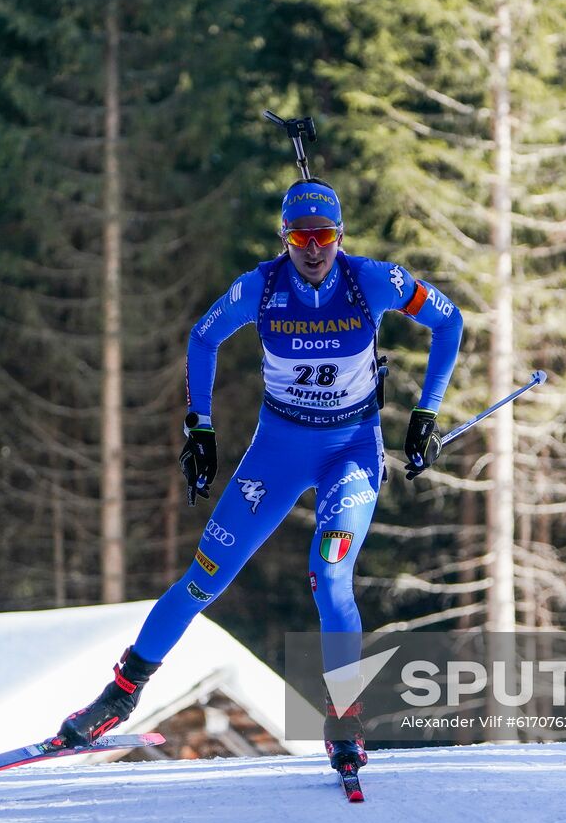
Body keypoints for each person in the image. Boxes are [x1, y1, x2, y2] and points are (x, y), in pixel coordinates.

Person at [55, 177, 463, 773]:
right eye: (300, 237)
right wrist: (199, 426)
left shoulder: (374, 281)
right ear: (284, 238)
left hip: (350, 451)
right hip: (277, 451)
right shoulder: (260, 288)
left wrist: (426, 413)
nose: (313, 249)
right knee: (204, 578)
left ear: (341, 235)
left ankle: (344, 718)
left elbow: (449, 322)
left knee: (330, 575)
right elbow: (203, 338)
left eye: (324, 235)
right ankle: (121, 693)